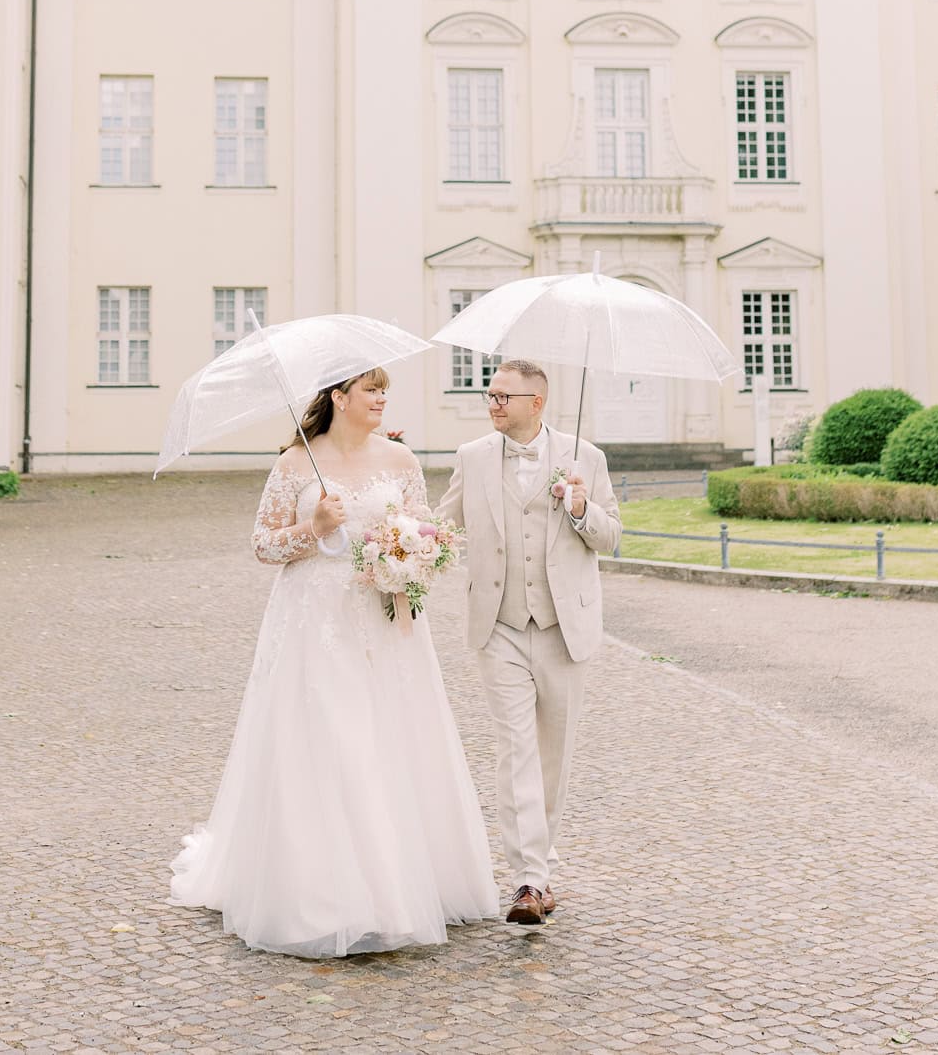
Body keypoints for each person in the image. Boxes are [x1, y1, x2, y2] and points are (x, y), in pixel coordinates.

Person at [169, 367, 497, 958]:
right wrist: (312, 527)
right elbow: (263, 545)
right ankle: (324, 895)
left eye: (384, 390)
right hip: (312, 623)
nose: (381, 399)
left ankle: (402, 887)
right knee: (326, 743)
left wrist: (409, 556)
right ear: (339, 398)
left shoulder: (401, 461)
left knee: (388, 741)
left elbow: (425, 531)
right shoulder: (295, 463)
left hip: (385, 619)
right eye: (371, 390)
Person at [436, 358, 622, 927]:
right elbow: (443, 525)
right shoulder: (471, 457)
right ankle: (528, 880)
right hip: (499, 624)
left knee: (553, 755)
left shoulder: (585, 457)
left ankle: (540, 861)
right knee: (515, 748)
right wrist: (397, 545)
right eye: (489, 395)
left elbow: (611, 537)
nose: (492, 404)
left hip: (564, 625)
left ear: (536, 403)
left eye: (503, 397)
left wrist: (581, 507)